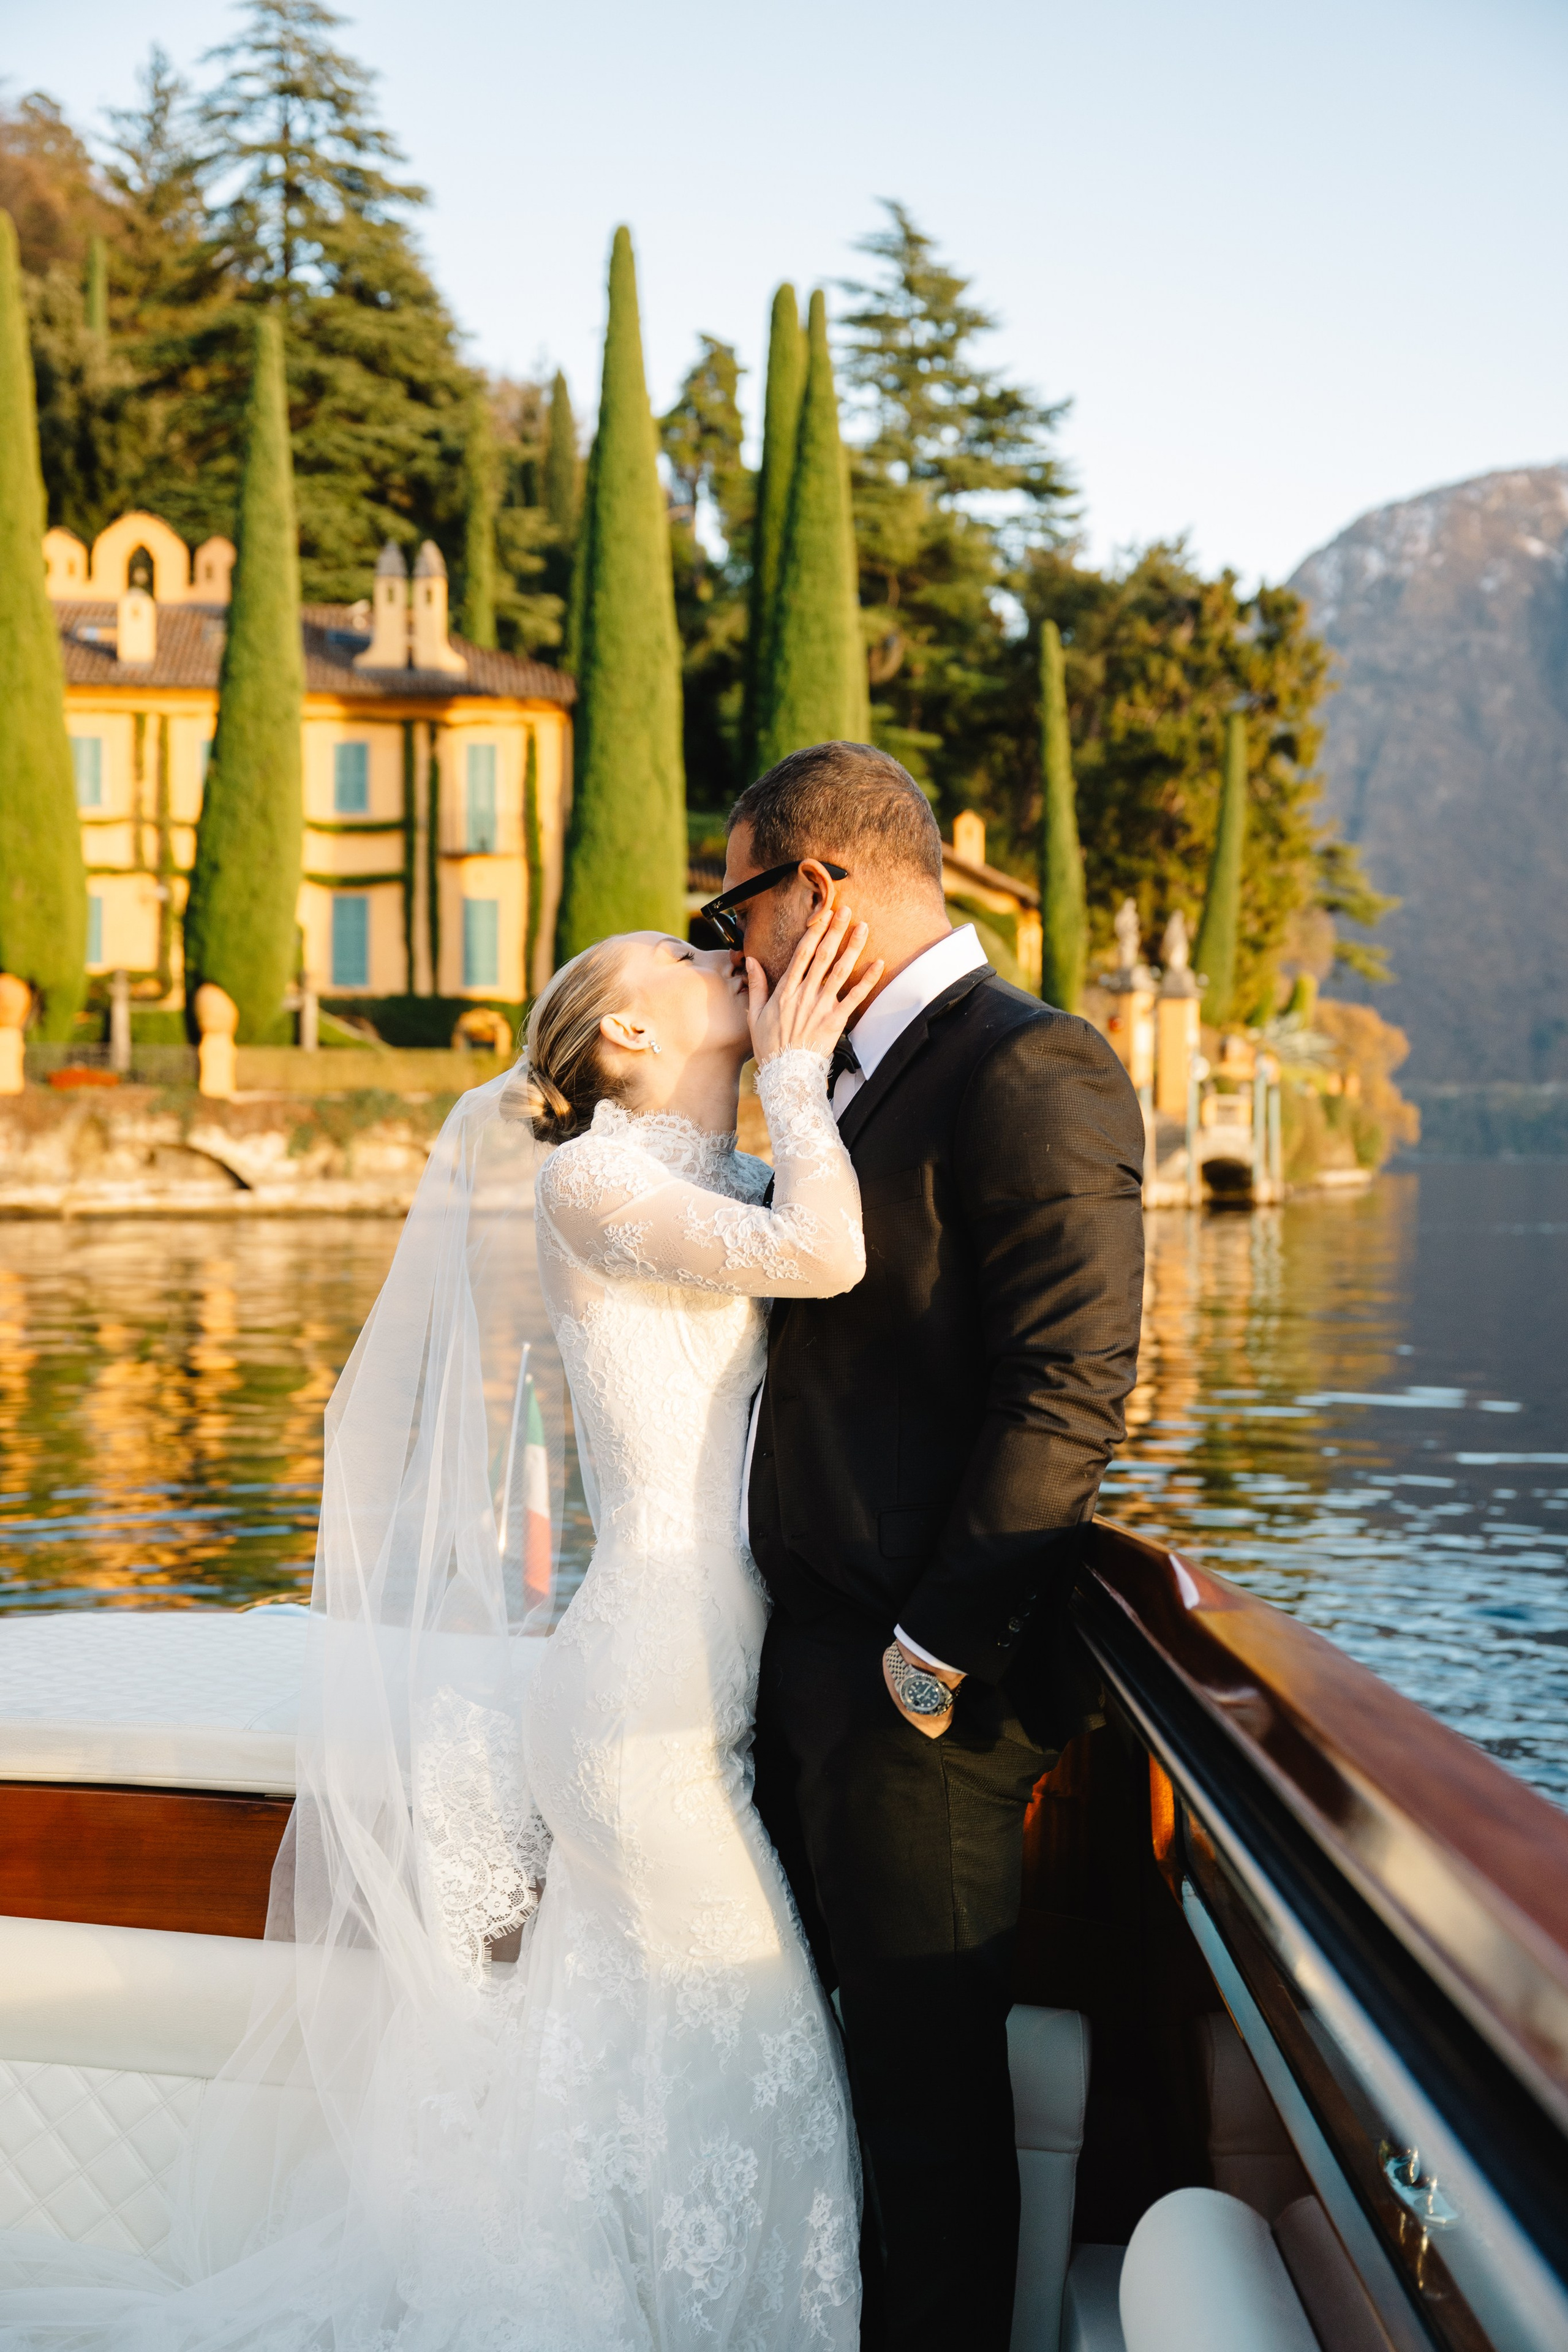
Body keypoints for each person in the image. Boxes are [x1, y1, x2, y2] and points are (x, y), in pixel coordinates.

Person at [0, 908, 878, 2350]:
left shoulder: (706, 1175)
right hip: (640, 1705)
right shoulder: (594, 1182)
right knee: (757, 2043)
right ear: (627, 1035)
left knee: (629, 2070)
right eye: (679, 949)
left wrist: (793, 1091)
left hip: (691, 1686)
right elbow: (827, 1255)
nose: (721, 948)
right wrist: (796, 1067)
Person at [711, 742, 1146, 2350]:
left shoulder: (1033, 1068)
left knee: (927, 2119)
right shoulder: (836, 1074)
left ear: (812, 889)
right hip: (808, 1668)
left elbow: (1070, 1382)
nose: (722, 950)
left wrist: (930, 1655)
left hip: (918, 1703)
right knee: (825, 2084)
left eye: (729, 905)